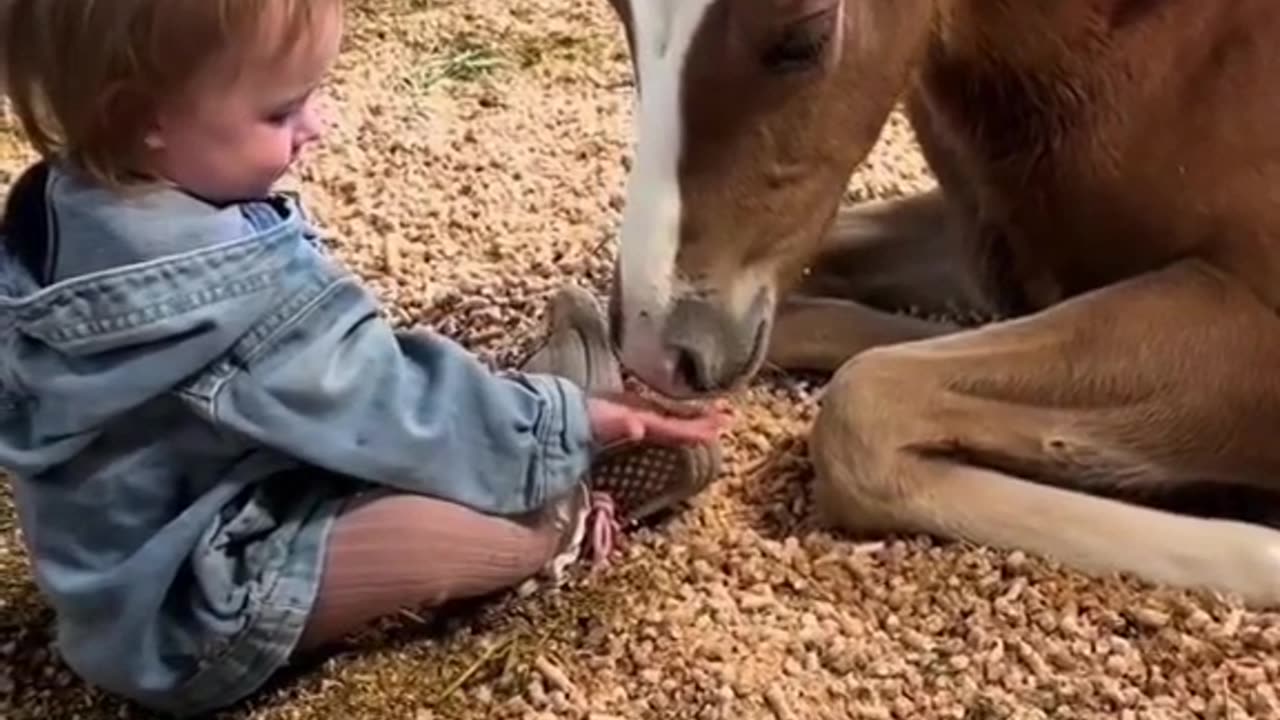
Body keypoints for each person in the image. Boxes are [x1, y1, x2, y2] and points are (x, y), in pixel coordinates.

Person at [0, 1, 725, 716]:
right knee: (486, 525)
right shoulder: (225, 288)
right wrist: (570, 424)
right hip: (193, 617)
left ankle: (533, 423)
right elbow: (389, 400)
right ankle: (564, 499)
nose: (318, 125)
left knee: (424, 428)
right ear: (141, 119)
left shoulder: (67, 206)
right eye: (281, 113)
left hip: (140, 563)